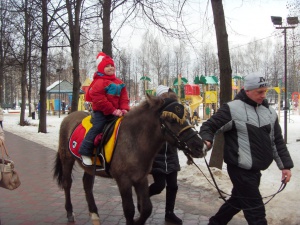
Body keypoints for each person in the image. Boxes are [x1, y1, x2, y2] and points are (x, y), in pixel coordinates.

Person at [199, 73, 294, 225]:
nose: (263, 95)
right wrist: (207, 140)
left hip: (256, 170)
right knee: (256, 212)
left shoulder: (270, 113)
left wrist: (286, 166)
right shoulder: (232, 109)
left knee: (237, 201)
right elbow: (209, 126)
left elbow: (277, 141)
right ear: (247, 90)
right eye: (259, 92)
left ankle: (216, 222)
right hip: (239, 169)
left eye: (265, 91)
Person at [79, 52, 130, 166]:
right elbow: (99, 99)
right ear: (101, 68)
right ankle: (85, 151)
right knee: (98, 127)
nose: (110, 67)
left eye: (111, 65)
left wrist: (124, 109)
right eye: (107, 66)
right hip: (102, 112)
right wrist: (113, 110)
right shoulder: (99, 82)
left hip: (116, 112)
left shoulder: (119, 82)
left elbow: (124, 98)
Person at [148, 85, 182, 224]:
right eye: (163, 95)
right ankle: (143, 197)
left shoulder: (175, 111)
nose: (166, 97)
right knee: (159, 185)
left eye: (167, 94)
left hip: (172, 154)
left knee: (173, 186)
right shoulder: (154, 113)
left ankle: (169, 213)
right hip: (158, 155)